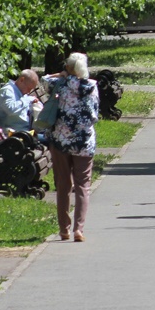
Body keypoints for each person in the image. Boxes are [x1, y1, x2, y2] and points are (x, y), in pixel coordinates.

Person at [43, 53, 100, 243]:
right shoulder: (92, 86)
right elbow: (95, 111)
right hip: (84, 142)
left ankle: (64, 229)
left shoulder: (59, 84)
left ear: (68, 68)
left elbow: (43, 80)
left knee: (63, 185)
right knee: (83, 185)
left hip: (61, 140)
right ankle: (79, 229)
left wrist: (61, 75)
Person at [0, 69, 42, 133]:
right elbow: (10, 109)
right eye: (28, 88)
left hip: (24, 131)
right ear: (22, 80)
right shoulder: (8, 91)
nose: (29, 92)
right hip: (12, 134)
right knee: (48, 139)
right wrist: (28, 99)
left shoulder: (20, 92)